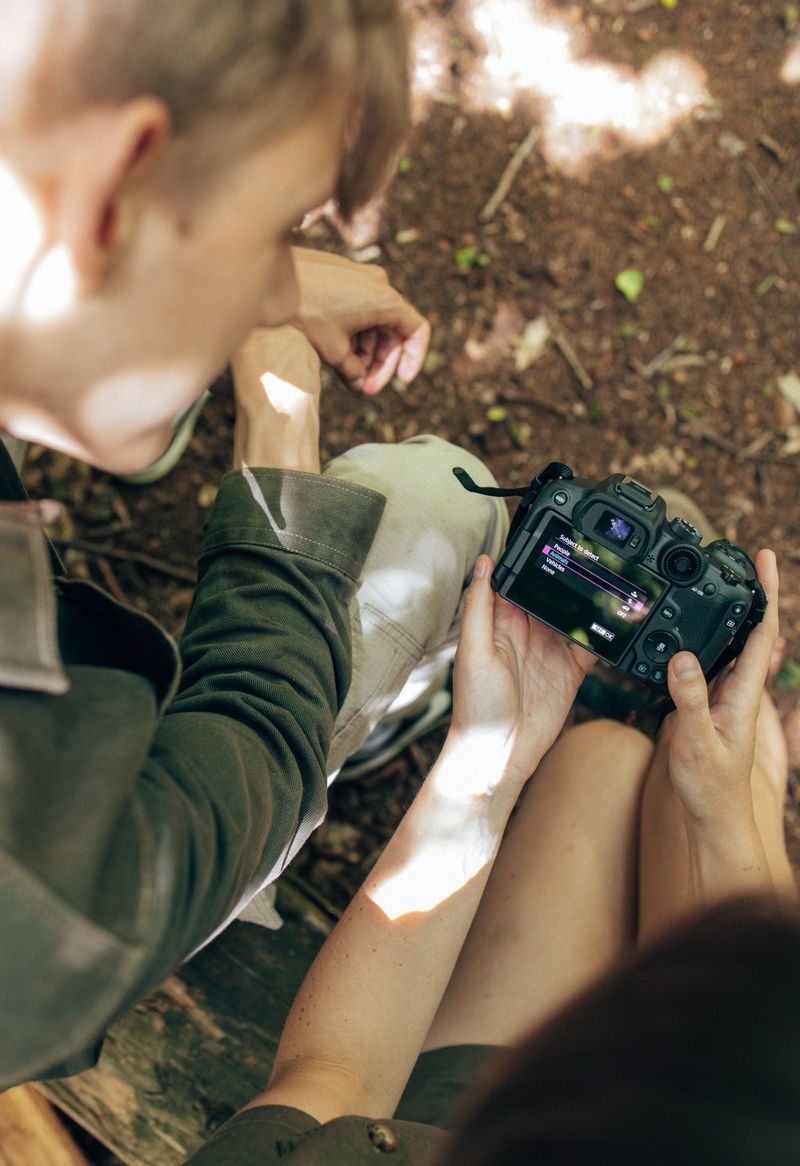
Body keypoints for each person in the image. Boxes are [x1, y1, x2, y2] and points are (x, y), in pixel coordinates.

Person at [0, 0, 508, 1087]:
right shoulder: (33, 894)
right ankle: (364, 726)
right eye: (273, 224)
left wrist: (230, 280)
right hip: (105, 881)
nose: (278, 278)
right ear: (115, 185)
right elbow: (248, 754)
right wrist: (280, 436)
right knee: (429, 502)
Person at [181, 543, 798, 1164]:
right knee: (728, 768)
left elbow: (333, 1072)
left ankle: (740, 753)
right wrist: (718, 809)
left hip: (462, 1119)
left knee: (604, 760)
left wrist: (485, 766)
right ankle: (763, 769)